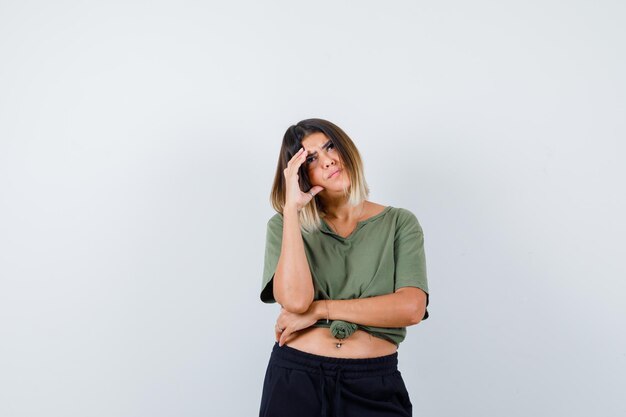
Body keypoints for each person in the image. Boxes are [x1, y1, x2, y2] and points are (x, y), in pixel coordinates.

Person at [259, 118, 430, 417]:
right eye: (311, 159)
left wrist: (321, 310)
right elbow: (296, 301)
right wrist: (291, 210)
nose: (327, 161)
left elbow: (411, 308)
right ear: (299, 174)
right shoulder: (284, 226)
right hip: (296, 379)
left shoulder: (399, 223)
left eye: (329, 146)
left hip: (373, 384)